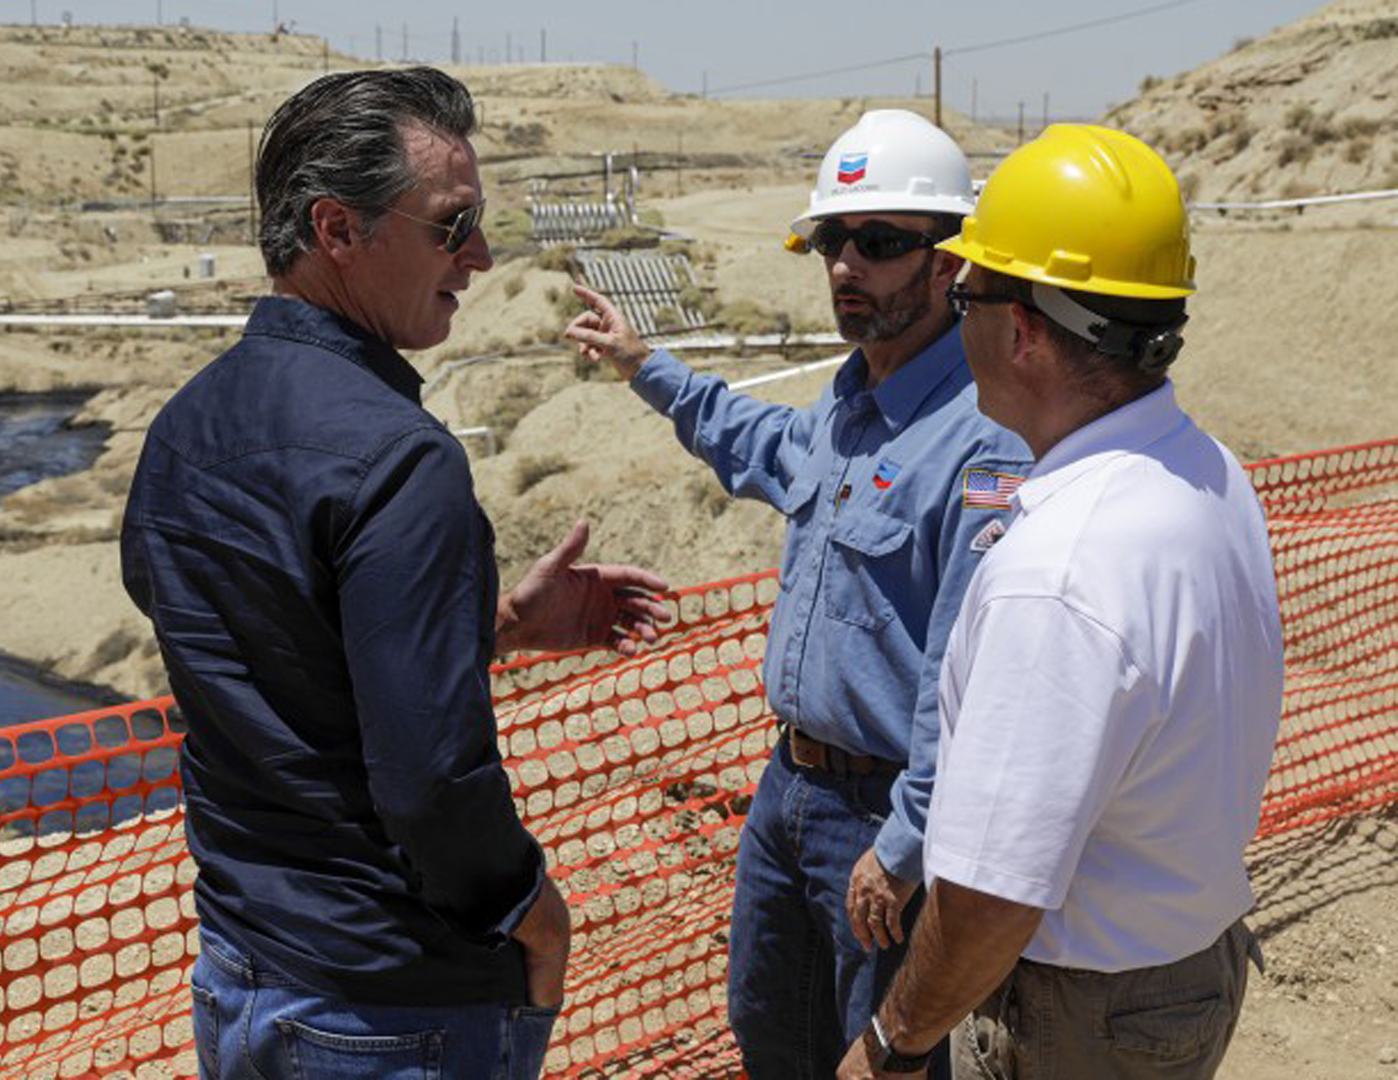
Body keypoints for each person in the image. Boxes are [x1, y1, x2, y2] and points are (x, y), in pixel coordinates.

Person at [119, 67, 670, 1080]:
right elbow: (426, 782)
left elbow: (276, 654)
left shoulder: (185, 425)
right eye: (452, 227)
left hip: (244, 972)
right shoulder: (400, 458)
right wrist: (531, 914)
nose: (481, 257)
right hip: (389, 1011)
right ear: (337, 228)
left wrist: (490, 620)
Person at [564, 109, 1032, 1078]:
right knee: (771, 1031)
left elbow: (973, 676)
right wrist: (643, 367)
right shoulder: (851, 400)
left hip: (880, 816)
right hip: (788, 792)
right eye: (833, 240)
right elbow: (761, 446)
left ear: (949, 265)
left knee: (880, 1058)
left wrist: (905, 844)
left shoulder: (983, 440)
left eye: (880, 242)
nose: (845, 267)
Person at [836, 125, 1284, 1080]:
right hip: (1185, 970)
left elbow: (995, 895)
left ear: (1025, 329)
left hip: (1081, 1010)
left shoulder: (1060, 569)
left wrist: (891, 1044)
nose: (958, 322)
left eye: (968, 296)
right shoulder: (1202, 470)